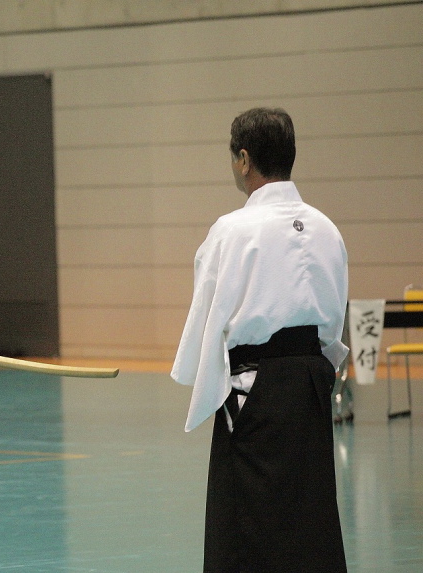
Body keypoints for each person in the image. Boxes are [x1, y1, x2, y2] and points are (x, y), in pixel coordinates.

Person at [171, 108, 348, 572]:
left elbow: (208, 315)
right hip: (311, 381)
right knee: (309, 510)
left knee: (244, 519)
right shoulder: (327, 229)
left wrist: (201, 374)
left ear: (244, 159)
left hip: (255, 386)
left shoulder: (231, 230)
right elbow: (334, 319)